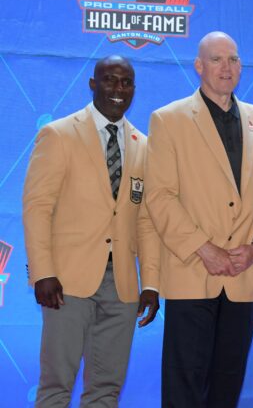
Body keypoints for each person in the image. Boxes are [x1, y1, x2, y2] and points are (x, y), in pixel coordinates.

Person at [144, 31, 253, 407]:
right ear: (198, 67)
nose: (226, 67)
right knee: (184, 385)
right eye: (217, 59)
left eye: (233, 59)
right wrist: (204, 248)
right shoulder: (168, 120)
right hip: (192, 271)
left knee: (227, 386)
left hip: (242, 276)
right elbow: (159, 196)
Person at [23, 55, 160, 407]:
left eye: (126, 82)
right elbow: (37, 208)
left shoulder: (143, 145)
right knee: (56, 385)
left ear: (133, 89)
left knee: (107, 389)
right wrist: (43, 272)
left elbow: (145, 220)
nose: (118, 89)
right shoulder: (58, 134)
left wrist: (151, 283)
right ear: (92, 84)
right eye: (110, 80)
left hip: (124, 288)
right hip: (67, 282)